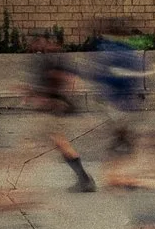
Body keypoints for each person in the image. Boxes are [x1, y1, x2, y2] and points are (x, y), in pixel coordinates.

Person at [24, 32, 96, 192]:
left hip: (55, 108)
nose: (37, 45)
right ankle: (84, 179)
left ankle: (84, 179)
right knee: (57, 142)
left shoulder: (56, 59)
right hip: (52, 108)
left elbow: (69, 79)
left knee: (58, 142)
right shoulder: (47, 59)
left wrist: (55, 98)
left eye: (39, 42)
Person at [91, 19, 145, 158]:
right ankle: (123, 141)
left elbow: (104, 71)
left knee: (117, 120)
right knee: (120, 120)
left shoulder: (108, 50)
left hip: (115, 92)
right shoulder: (127, 51)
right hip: (122, 92)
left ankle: (122, 141)